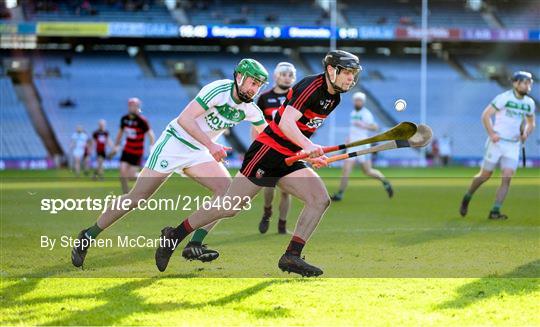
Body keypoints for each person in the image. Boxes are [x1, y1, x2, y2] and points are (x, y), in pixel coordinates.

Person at [155, 50, 361, 277]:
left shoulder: (335, 97)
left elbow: (304, 129)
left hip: (290, 156)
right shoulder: (310, 87)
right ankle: (174, 235)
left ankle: (291, 256)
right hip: (267, 152)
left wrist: (310, 153)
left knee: (319, 199)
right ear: (332, 70)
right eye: (348, 73)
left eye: (353, 74)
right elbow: (285, 123)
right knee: (229, 207)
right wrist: (307, 147)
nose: (351, 78)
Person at [71, 59, 269, 268]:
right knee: (138, 197)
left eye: (259, 85)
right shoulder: (218, 89)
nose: (255, 89)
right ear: (239, 77)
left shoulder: (251, 109)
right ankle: (88, 235)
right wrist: (211, 145)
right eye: (252, 83)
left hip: (199, 151)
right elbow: (185, 119)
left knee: (226, 192)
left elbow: (269, 135)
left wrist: (300, 151)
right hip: (174, 143)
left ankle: (195, 244)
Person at [460, 71, 535, 220]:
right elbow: (486, 115)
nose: (528, 86)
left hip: (513, 145)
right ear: (515, 83)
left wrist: (526, 133)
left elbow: (531, 123)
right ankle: (467, 197)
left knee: (507, 177)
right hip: (497, 142)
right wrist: (492, 133)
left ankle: (495, 211)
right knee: (485, 176)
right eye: (525, 82)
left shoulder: (529, 103)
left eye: (529, 83)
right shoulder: (504, 98)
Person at [256, 62, 296, 234]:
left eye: (290, 75)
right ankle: (267, 211)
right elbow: (255, 124)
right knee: (269, 186)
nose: (287, 77)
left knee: (287, 190)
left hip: (291, 148)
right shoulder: (264, 98)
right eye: (284, 74)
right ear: (276, 76)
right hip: (270, 148)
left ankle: (282, 225)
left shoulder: (297, 97)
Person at [331, 91, 393, 201]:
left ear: (363, 102)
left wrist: (364, 125)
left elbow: (375, 127)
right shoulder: (353, 113)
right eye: (356, 100)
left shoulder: (366, 114)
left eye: (359, 100)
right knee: (346, 170)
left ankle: (385, 182)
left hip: (363, 146)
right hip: (353, 145)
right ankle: (340, 194)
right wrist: (349, 138)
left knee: (367, 171)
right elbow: (353, 129)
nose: (357, 102)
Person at [112, 98, 155, 194]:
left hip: (137, 152)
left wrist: (152, 146)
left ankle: (144, 177)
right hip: (126, 150)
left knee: (131, 177)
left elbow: (151, 134)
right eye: (130, 105)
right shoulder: (124, 119)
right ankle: (125, 194)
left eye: (134, 106)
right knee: (122, 173)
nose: (132, 107)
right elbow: (120, 133)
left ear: (138, 107)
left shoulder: (142, 121)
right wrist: (116, 146)